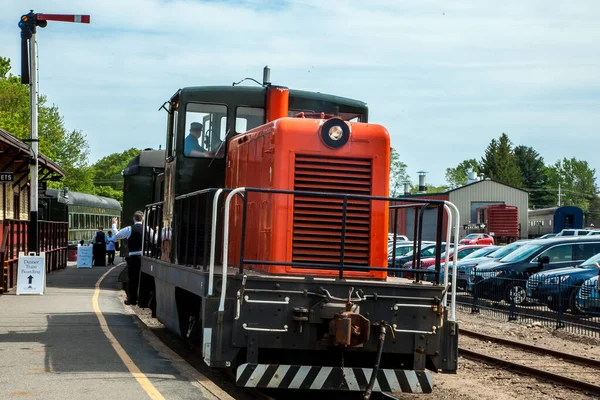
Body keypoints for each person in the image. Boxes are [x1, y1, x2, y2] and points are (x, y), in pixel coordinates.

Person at [112, 212, 153, 305]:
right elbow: (154, 239)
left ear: (134, 219)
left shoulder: (129, 229)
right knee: (145, 279)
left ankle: (132, 300)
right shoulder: (147, 229)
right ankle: (144, 301)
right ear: (142, 219)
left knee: (133, 279)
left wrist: (114, 225)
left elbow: (117, 235)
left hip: (134, 257)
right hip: (147, 257)